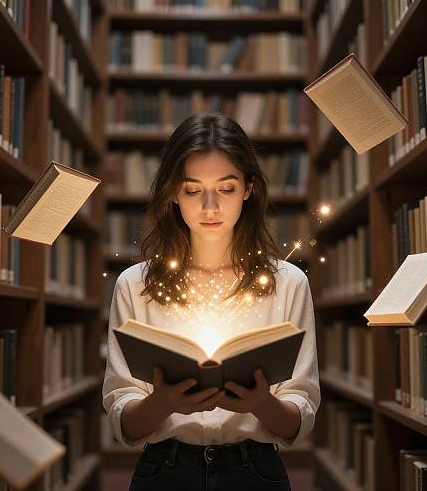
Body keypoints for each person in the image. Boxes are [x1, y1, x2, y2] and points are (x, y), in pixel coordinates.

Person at [102, 113, 320, 491]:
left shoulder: (288, 284)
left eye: (227, 188)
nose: (209, 206)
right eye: (192, 190)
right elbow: (123, 419)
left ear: (249, 189)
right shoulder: (135, 285)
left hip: (256, 470)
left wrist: (260, 402)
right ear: (172, 192)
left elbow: (299, 418)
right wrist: (163, 403)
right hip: (165, 469)